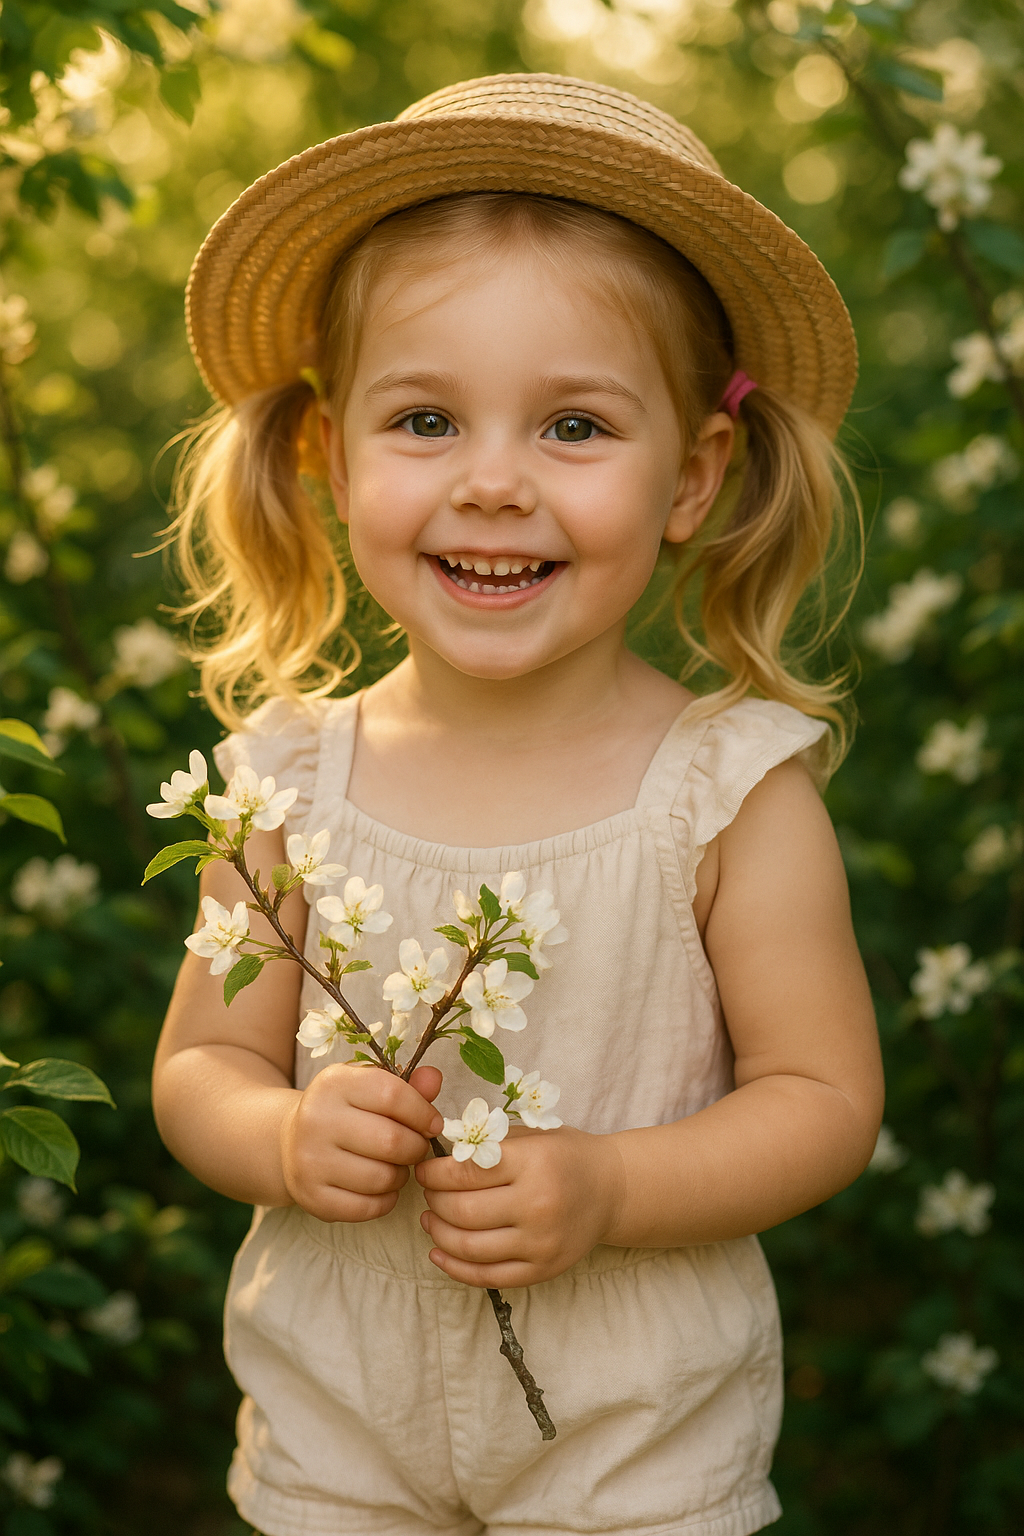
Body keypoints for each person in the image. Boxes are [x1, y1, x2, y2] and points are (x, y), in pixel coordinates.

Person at [153, 73, 883, 1536]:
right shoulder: (287, 787)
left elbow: (824, 1104)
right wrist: (286, 1139)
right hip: (335, 1439)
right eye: (425, 418)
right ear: (327, 455)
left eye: (575, 428)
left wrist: (611, 1191)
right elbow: (197, 1071)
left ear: (696, 474)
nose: (494, 484)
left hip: (636, 1454)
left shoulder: (729, 796)